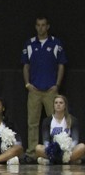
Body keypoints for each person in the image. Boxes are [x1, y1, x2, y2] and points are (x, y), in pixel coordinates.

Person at [22, 16, 66, 155]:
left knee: (55, 122)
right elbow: (25, 66)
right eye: (38, 25)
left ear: (47, 27)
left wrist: (57, 84)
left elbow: (61, 65)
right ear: (35, 27)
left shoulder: (55, 43)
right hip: (34, 90)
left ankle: (56, 151)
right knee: (32, 123)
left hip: (50, 90)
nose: (41, 27)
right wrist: (27, 84)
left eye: (43, 25)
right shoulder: (29, 44)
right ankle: (32, 153)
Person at [35, 95, 85, 165]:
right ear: (53, 105)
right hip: (53, 150)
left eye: (61, 103)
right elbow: (45, 141)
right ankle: (69, 161)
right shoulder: (47, 121)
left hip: (68, 150)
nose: (58, 104)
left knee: (82, 147)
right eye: (56, 103)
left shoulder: (72, 120)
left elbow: (75, 140)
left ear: (65, 106)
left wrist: (67, 149)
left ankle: (52, 161)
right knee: (38, 148)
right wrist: (51, 150)